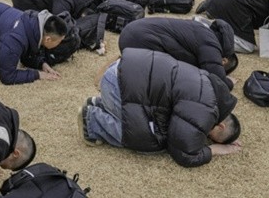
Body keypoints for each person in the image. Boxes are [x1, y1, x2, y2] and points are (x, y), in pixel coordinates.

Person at [79, 48, 240, 168]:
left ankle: (100, 104)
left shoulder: (211, 89)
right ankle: (93, 121)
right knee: (150, 141)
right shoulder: (205, 111)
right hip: (118, 84)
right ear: (220, 125)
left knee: (150, 120)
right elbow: (183, 152)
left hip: (122, 70)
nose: (206, 138)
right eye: (211, 137)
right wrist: (215, 149)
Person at [118, 17, 238, 90]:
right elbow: (217, 81)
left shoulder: (201, 30)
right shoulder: (211, 44)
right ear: (224, 60)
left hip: (131, 33)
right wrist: (228, 83)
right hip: (138, 41)